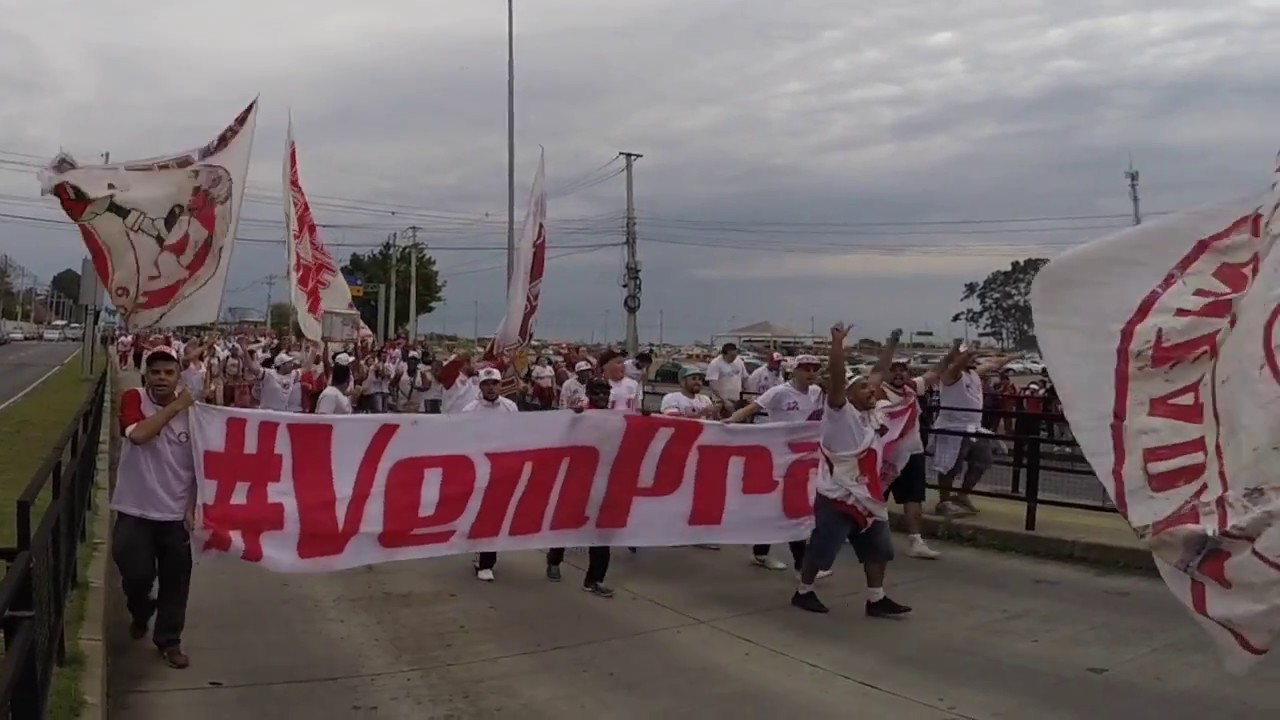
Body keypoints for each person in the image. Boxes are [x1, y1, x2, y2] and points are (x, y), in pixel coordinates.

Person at [792, 324, 911, 617]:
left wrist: (891, 344)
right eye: (863, 388)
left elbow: (879, 372)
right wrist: (837, 345)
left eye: (871, 388)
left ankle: (876, 598)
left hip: (869, 498)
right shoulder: (839, 416)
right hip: (838, 498)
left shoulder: (874, 414)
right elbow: (836, 378)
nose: (871, 390)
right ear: (847, 394)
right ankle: (803, 591)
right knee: (822, 551)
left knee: (878, 550)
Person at [112, 345, 197, 669]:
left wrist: (192, 507)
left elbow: (201, 466)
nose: (162, 378)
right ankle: (140, 609)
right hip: (135, 510)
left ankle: (169, 641)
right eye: (156, 372)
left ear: (179, 376)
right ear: (146, 374)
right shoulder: (134, 398)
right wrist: (177, 406)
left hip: (174, 514)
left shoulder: (196, 414)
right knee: (136, 575)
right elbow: (138, 435)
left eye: (169, 372)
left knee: (176, 582)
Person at [725, 354, 824, 572]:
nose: (810, 373)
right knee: (790, 508)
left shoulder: (818, 393)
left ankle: (763, 553)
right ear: (794, 371)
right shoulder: (780, 391)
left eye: (814, 369)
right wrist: (729, 423)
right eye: (805, 368)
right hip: (781, 458)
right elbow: (752, 408)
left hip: (806, 460)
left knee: (791, 509)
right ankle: (802, 566)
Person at [880, 343, 959, 560]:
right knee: (874, 498)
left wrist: (951, 354)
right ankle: (860, 532)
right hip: (885, 456)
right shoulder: (877, 391)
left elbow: (936, 371)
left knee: (914, 498)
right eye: (893, 370)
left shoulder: (912, 389)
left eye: (902, 370)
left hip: (913, 453)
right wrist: (890, 346)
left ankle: (916, 541)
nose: (898, 374)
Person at [933, 345, 1013, 517]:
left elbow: (994, 363)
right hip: (953, 428)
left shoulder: (974, 373)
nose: (972, 360)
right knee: (950, 467)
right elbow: (956, 366)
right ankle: (944, 501)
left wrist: (1013, 356)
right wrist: (966, 353)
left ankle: (962, 495)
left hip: (974, 428)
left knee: (983, 460)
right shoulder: (950, 375)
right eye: (967, 357)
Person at [464, 368, 519, 581]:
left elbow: (518, 435)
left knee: (494, 514)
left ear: (500, 385)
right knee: (478, 513)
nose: (490, 388)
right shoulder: (470, 410)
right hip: (478, 468)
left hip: (502, 469)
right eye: (486, 384)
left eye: (494, 383)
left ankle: (487, 560)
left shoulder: (510, 407)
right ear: (480, 386)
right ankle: (481, 554)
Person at [705, 343, 747, 414]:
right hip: (721, 401)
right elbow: (713, 385)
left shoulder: (739, 361)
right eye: (731, 356)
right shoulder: (715, 363)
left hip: (737, 399)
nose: (733, 358)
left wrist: (747, 395)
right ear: (723, 354)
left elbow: (745, 378)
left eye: (735, 355)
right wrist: (725, 401)